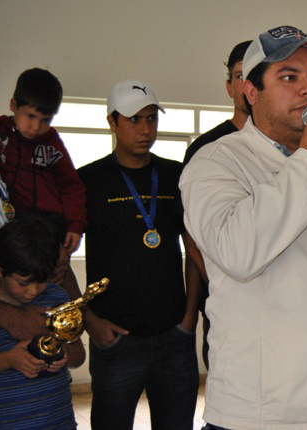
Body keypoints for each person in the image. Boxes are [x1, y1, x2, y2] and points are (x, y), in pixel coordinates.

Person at [180, 25, 307, 430]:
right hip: (270, 414)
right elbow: (239, 252)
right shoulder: (216, 163)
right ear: (251, 93)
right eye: (289, 77)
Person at [77, 80, 199, 430]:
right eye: (134, 120)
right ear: (112, 122)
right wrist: (92, 323)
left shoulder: (176, 175)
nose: (145, 130)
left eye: (151, 119)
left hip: (174, 338)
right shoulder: (88, 181)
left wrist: (189, 319)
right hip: (115, 341)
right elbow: (57, 262)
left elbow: (194, 250)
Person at [0, 67, 86, 357]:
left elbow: (71, 186)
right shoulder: (1, 134)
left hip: (52, 224)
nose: (36, 127)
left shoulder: (52, 143)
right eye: (30, 116)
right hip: (18, 226)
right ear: (13, 107)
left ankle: (61, 344)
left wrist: (75, 225)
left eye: (45, 119)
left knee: (52, 286)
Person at [181, 40, 251, 370]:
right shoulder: (207, 148)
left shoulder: (293, 147)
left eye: (253, 74)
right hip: (226, 298)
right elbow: (192, 234)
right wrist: (221, 281)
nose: (246, 84)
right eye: (239, 75)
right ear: (229, 86)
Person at [0, 215, 85, 430]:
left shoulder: (56, 297)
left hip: (59, 422)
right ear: (0, 272)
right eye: (23, 283)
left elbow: (78, 357)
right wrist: (9, 360)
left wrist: (63, 353)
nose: (34, 291)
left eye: (42, 281)